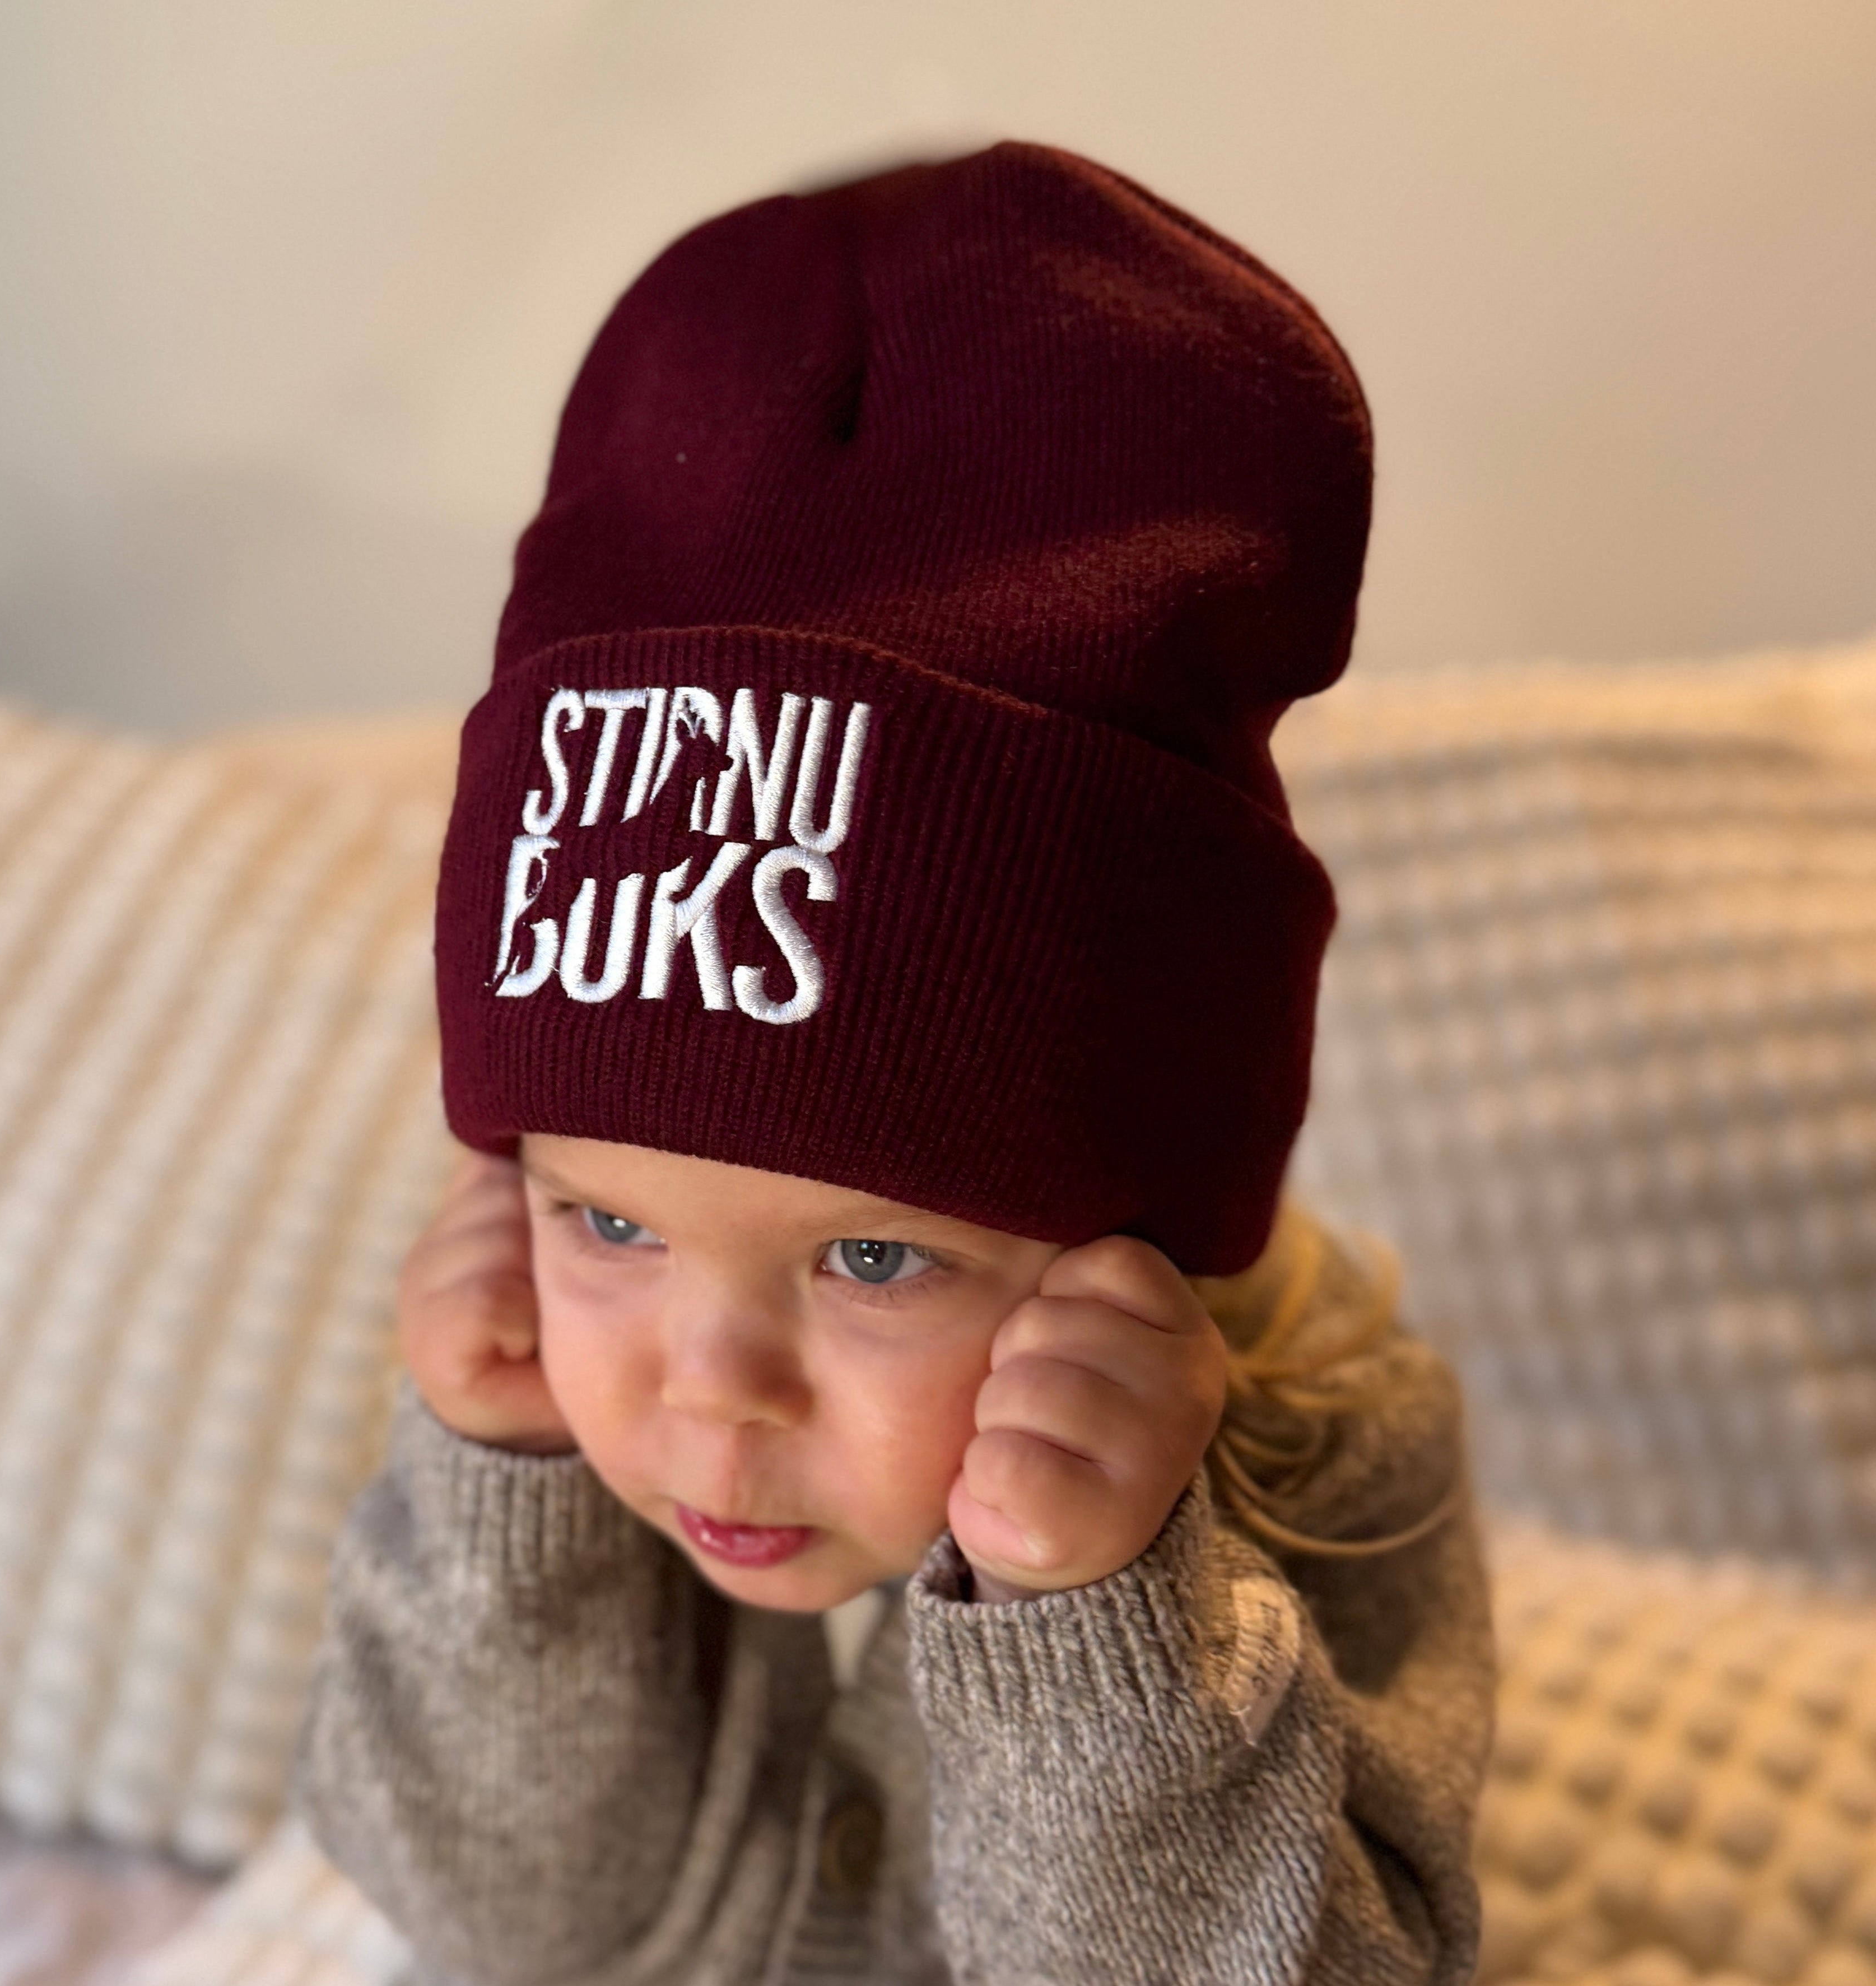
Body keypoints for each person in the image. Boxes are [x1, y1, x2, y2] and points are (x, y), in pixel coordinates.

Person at [294, 139, 1495, 1985]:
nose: (712, 1401)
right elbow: (490, 1916)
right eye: (607, 1220)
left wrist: (1095, 1623)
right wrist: (500, 1501)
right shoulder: (546, 1423)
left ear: (1141, 1238)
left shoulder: (1334, 1451)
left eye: (871, 1257)